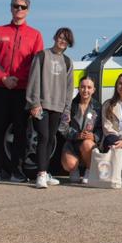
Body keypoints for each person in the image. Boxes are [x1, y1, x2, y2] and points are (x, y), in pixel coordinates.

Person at [0, 0, 44, 183]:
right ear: (10, 8)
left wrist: (17, 79)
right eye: (15, 6)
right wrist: (3, 78)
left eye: (23, 7)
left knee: (20, 133)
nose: (19, 10)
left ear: (28, 10)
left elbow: (36, 63)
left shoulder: (35, 35)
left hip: (21, 90)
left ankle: (16, 171)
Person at [26, 27, 75, 189]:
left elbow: (69, 88)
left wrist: (66, 109)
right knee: (43, 137)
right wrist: (34, 103)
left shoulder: (68, 62)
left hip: (58, 107)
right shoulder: (42, 56)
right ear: (55, 37)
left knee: (50, 140)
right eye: (60, 38)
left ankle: (45, 172)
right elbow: (33, 81)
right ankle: (40, 175)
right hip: (41, 105)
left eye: (66, 40)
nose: (62, 41)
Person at [62, 76, 103, 184]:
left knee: (87, 144)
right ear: (78, 89)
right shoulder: (69, 106)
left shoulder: (98, 107)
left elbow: (102, 128)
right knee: (69, 164)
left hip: (88, 144)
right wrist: (76, 135)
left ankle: (89, 171)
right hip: (72, 143)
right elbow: (63, 127)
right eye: (83, 87)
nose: (86, 90)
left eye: (89, 87)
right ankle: (74, 169)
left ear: (93, 90)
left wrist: (94, 137)